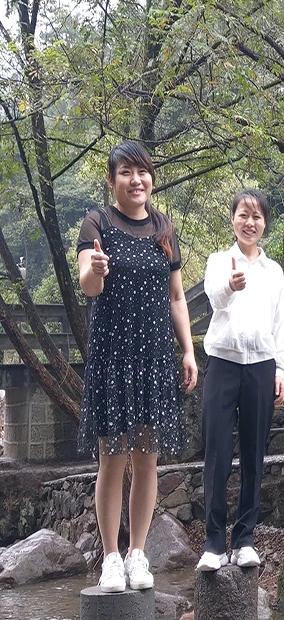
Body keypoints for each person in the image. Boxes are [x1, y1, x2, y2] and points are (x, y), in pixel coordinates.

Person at [77, 141, 198, 593]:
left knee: (147, 459)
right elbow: (88, 286)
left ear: (151, 178)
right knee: (111, 458)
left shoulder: (164, 228)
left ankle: (138, 553)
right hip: (113, 357)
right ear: (112, 180)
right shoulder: (97, 222)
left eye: (142, 171)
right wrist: (97, 270)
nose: (136, 180)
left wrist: (188, 350)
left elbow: (177, 297)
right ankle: (111, 556)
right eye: (126, 172)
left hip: (154, 357)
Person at [197, 190, 284, 571]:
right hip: (223, 362)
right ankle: (213, 542)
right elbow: (213, 299)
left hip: (261, 366)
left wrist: (281, 369)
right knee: (217, 451)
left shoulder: (274, 272)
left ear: (265, 222)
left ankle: (245, 538)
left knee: (254, 453)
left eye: (256, 216)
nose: (249, 222)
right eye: (243, 214)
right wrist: (230, 286)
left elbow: (281, 324)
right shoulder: (219, 261)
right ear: (232, 219)